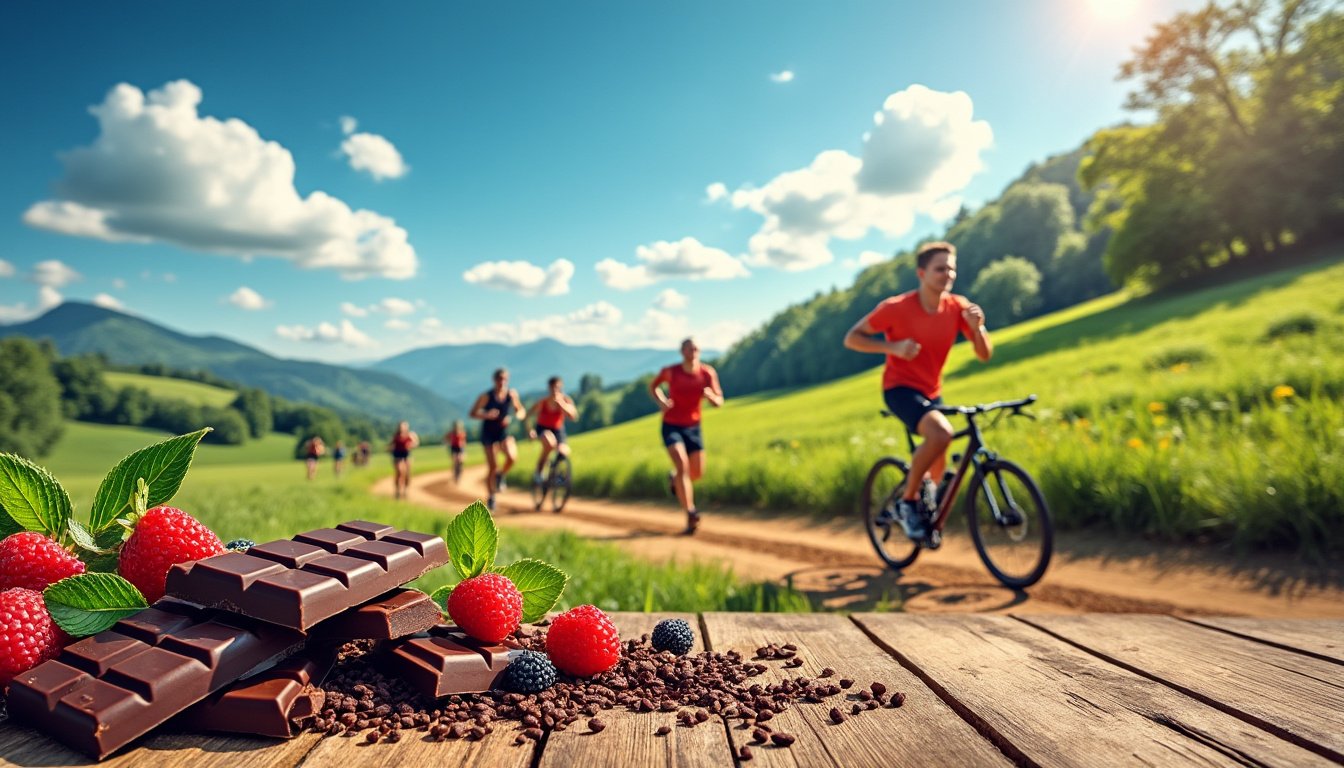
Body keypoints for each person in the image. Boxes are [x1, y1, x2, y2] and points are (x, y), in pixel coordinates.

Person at [843, 241, 993, 542]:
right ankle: (908, 502)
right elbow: (852, 338)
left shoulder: (958, 307)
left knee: (939, 453)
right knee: (941, 434)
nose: (947, 274)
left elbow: (984, 354)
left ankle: (925, 503)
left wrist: (977, 329)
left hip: (931, 391)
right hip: (899, 389)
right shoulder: (896, 308)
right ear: (921, 273)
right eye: (940, 268)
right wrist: (892, 347)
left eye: (951, 268)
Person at [649, 337, 724, 535]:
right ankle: (690, 512)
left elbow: (720, 400)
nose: (693, 352)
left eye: (696, 349)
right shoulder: (671, 371)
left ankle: (674, 479)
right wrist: (662, 402)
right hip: (671, 425)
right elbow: (653, 386)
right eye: (689, 349)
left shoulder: (707, 373)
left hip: (693, 427)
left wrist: (711, 398)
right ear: (682, 352)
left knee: (696, 473)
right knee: (682, 464)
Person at [469, 368, 526, 511]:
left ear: (507, 380)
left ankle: (501, 475)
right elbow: (472, 413)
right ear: (494, 380)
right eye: (499, 379)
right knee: (493, 467)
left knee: (512, 457)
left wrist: (515, 416)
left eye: (504, 379)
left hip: (502, 432)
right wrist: (487, 415)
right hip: (488, 433)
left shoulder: (511, 394)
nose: (502, 382)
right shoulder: (486, 396)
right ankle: (491, 496)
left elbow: (520, 410)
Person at [527, 376, 578, 485]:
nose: (555, 390)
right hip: (542, 428)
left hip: (558, 429)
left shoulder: (566, 400)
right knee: (549, 442)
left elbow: (573, 416)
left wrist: (562, 404)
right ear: (549, 388)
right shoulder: (543, 401)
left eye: (558, 387)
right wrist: (530, 430)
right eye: (553, 388)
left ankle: (556, 474)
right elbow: (528, 415)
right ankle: (539, 471)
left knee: (564, 451)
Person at [388, 421, 420, 500]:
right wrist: (390, 448)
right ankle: (397, 491)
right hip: (397, 455)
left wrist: (411, 445)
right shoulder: (396, 436)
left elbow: (416, 443)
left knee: (407, 474)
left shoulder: (410, 435)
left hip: (406, 455)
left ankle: (405, 490)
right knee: (399, 471)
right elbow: (390, 445)